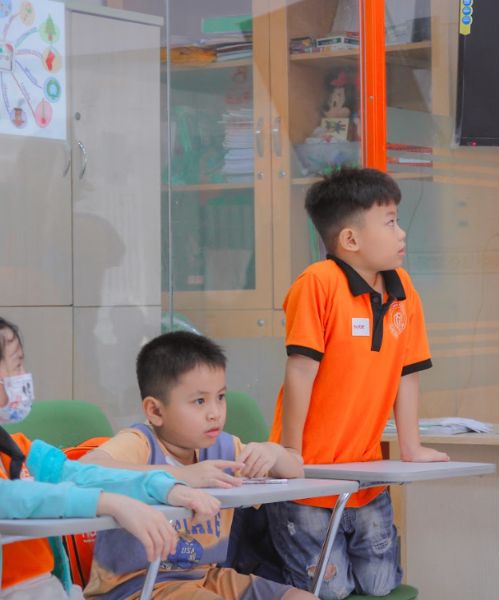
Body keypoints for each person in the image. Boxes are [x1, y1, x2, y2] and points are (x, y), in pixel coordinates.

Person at [263, 167, 449, 599]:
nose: (402, 232)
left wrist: (411, 447)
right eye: (390, 222)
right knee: (329, 591)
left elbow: (407, 373)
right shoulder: (318, 283)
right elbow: (300, 370)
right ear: (350, 239)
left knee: (380, 586)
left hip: (366, 474)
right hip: (308, 480)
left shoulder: (403, 289)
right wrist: (291, 453)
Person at [79, 331, 312, 600]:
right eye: (199, 401)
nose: (215, 412)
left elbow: (295, 470)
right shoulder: (141, 443)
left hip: (204, 578)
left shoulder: (223, 448)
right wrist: (182, 475)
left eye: (221, 397)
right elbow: (87, 469)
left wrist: (273, 452)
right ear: (155, 411)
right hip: (136, 588)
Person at [0, 317, 220, 600]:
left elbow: (83, 474)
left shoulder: (18, 451)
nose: (24, 376)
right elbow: (12, 497)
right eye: (17, 365)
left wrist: (165, 487)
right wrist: (109, 503)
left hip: (44, 588)